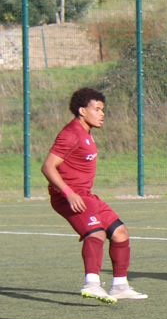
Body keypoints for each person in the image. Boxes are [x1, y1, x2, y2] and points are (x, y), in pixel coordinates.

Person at [41, 88, 147, 304]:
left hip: (86, 195)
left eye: (103, 109)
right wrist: (69, 193)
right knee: (96, 233)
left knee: (120, 233)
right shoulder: (70, 133)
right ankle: (91, 283)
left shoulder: (85, 132)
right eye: (97, 109)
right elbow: (48, 167)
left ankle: (120, 286)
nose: (102, 114)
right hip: (69, 196)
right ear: (82, 110)